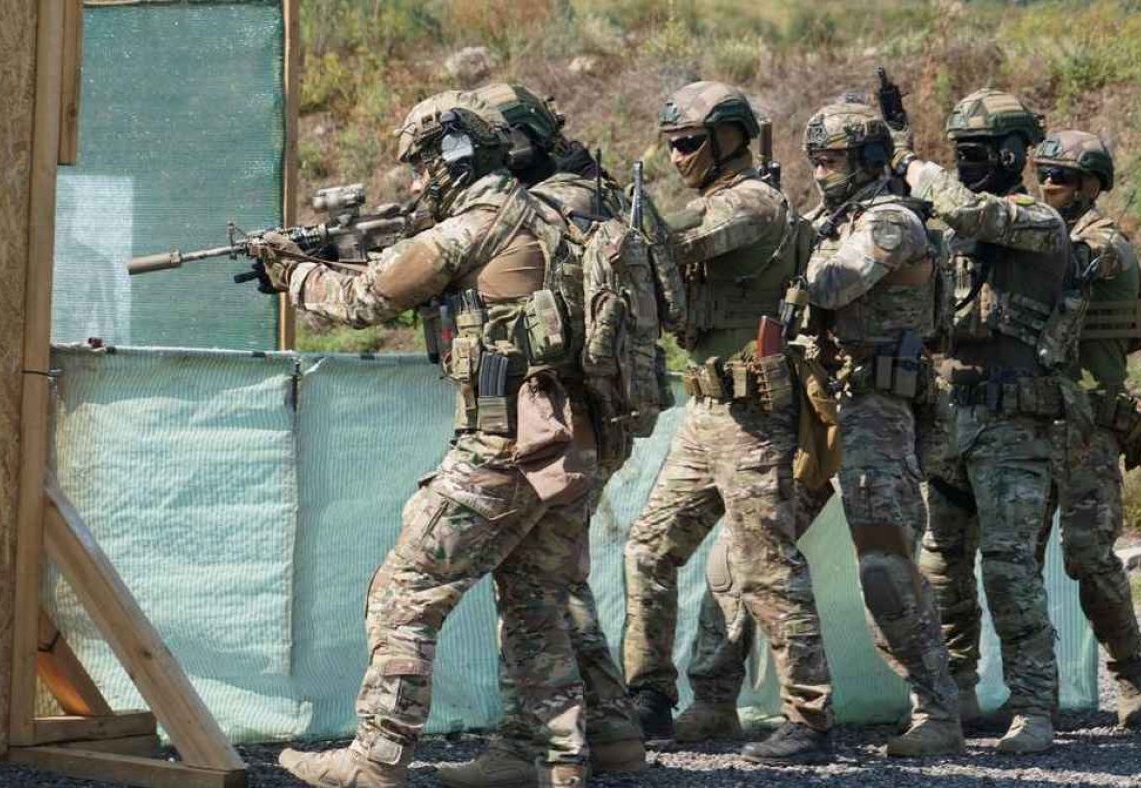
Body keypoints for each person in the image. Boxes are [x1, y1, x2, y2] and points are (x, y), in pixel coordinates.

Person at [261, 95, 596, 788]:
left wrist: (291, 272)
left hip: (501, 444)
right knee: (534, 602)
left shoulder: (477, 223)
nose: (417, 183)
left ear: (452, 157)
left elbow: (367, 300)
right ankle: (551, 760)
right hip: (561, 442)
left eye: (420, 166)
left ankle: (377, 759)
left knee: (404, 592)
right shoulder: (549, 213)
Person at [429, 84, 646, 788]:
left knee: (535, 587)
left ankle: (541, 749)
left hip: (556, 416)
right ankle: (608, 729)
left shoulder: (556, 202)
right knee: (558, 580)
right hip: (589, 413)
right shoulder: (586, 194)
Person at [621, 80, 836, 765]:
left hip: (754, 418)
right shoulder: (717, 200)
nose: (677, 156)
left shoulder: (753, 204)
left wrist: (613, 221)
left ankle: (808, 717)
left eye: (688, 142)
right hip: (707, 412)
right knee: (649, 549)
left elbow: (680, 241)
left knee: (765, 565)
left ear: (729, 138)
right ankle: (649, 694)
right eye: (671, 144)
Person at [895, 88, 1080, 754]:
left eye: (975, 151)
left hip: (1012, 425)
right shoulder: (952, 224)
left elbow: (973, 210)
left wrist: (922, 173)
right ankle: (953, 697)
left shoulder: (1037, 220)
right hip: (949, 417)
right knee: (941, 566)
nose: (965, 162)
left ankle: (1033, 707)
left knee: (1007, 568)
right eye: (958, 152)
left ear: (1010, 154)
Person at [798, 101, 964, 757]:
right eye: (814, 160)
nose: (819, 173)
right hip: (818, 402)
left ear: (868, 160)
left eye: (831, 160)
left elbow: (832, 286)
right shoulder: (831, 221)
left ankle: (938, 710)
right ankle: (717, 698)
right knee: (749, 553)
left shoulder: (890, 221)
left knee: (885, 566)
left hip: (877, 409)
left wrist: (786, 256)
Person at [1032, 128, 1141, 728]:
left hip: (1087, 429)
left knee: (1088, 557)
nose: (1048, 186)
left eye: (1060, 177)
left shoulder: (1104, 244)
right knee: (1017, 561)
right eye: (1042, 175)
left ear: (1090, 186)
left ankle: (1131, 675)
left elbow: (1069, 264)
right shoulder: (1038, 233)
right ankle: (1034, 690)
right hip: (1032, 424)